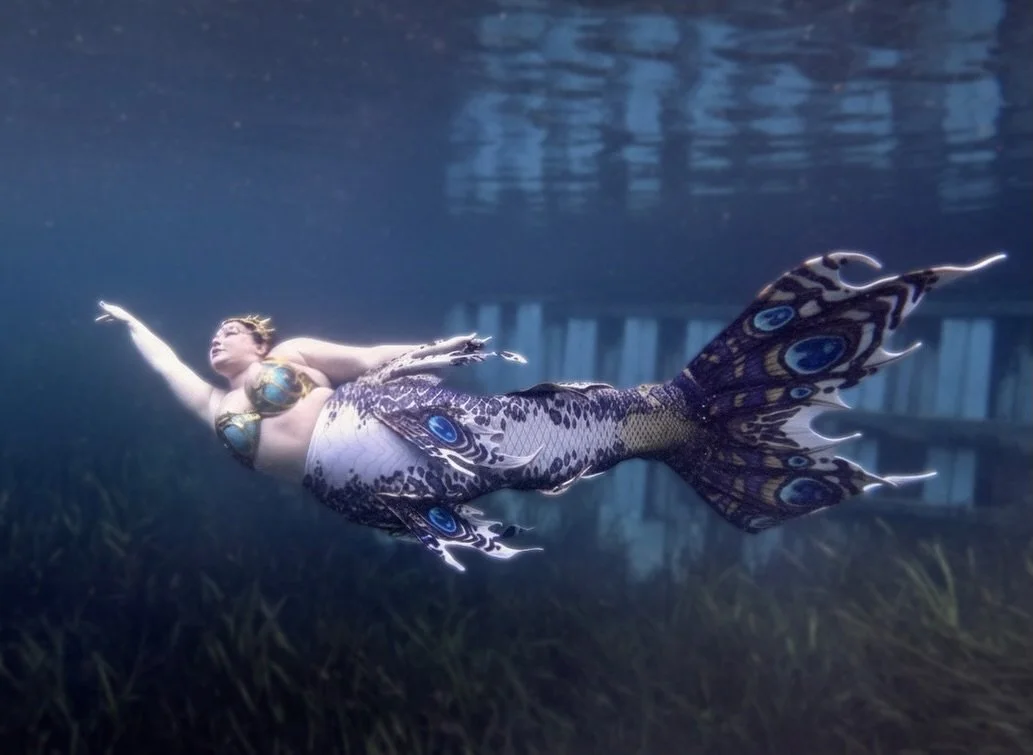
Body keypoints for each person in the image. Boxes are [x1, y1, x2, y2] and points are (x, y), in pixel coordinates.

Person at [97, 250, 1005, 571]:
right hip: (370, 497)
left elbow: (367, 359)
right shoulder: (211, 404)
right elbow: (166, 364)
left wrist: (426, 351)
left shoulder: (290, 356)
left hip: (400, 428)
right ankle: (691, 426)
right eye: (209, 340)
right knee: (526, 462)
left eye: (227, 333)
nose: (215, 344)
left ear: (257, 337)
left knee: (531, 442)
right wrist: (134, 324)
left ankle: (686, 413)